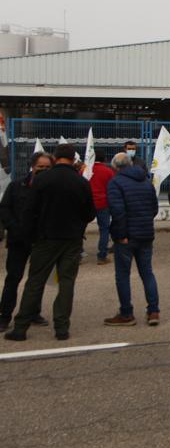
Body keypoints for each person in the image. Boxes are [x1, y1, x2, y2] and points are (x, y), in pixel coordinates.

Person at [4, 144, 95, 342]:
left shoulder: (42, 180)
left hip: (45, 238)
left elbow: (29, 210)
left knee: (35, 282)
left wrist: (29, 235)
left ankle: (20, 328)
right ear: (72, 159)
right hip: (71, 239)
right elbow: (90, 213)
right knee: (66, 283)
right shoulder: (81, 183)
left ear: (55, 158)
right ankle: (62, 328)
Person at [103, 152, 160, 326]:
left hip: (126, 237)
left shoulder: (115, 183)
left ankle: (126, 314)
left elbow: (117, 211)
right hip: (145, 234)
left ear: (115, 167)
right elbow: (154, 208)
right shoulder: (146, 181)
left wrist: (121, 235)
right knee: (147, 273)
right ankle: (153, 312)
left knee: (122, 275)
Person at [0, 152, 53, 332]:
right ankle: (5, 316)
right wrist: (14, 227)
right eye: (40, 167)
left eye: (47, 168)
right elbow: (4, 209)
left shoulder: (51, 190)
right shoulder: (16, 186)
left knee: (37, 280)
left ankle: (32, 312)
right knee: (13, 278)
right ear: (32, 166)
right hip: (18, 241)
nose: (43, 170)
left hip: (40, 241)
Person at [88, 152, 116, 265]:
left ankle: (78, 254)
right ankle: (102, 256)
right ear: (104, 159)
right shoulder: (108, 171)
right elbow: (113, 187)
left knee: (80, 229)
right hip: (103, 203)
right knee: (104, 229)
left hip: (88, 203)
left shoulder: (86, 170)